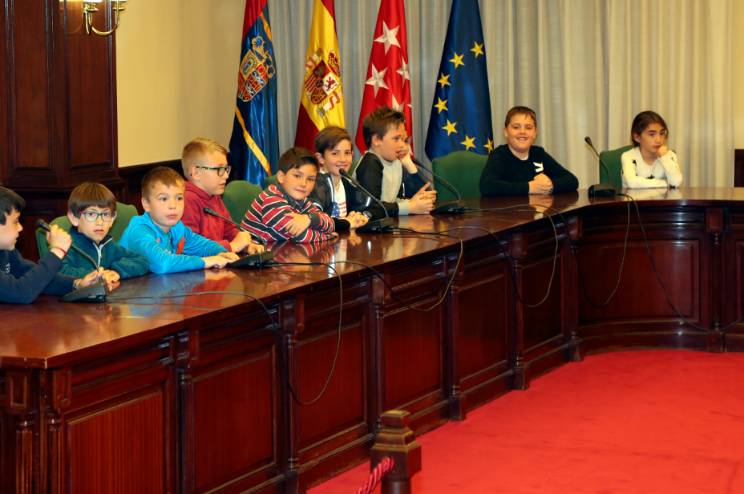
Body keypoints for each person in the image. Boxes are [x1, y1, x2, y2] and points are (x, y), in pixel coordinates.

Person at [119, 167, 239, 274]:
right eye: (163, 199)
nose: (173, 205)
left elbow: (201, 245)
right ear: (146, 204)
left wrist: (221, 253)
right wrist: (205, 261)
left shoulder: (176, 227)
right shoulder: (139, 230)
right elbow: (163, 264)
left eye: (179, 198)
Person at [0, 186, 100, 303]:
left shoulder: (6, 252)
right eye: (15, 221)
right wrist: (58, 251)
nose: (20, 228)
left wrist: (77, 284)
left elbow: (37, 279)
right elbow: (21, 293)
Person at [180, 137, 264, 254]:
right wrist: (231, 247)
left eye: (226, 169)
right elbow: (189, 247)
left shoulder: (214, 196)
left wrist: (246, 245)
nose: (226, 176)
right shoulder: (185, 200)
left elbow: (229, 230)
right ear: (196, 173)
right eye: (219, 169)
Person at [60, 182, 149, 288]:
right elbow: (57, 273)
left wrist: (115, 271)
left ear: (112, 219)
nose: (100, 222)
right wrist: (99, 275)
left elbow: (142, 261)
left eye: (106, 214)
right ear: (74, 218)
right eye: (91, 214)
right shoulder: (66, 246)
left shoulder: (108, 245)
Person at [241, 147, 336, 243]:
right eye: (297, 176)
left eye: (310, 179)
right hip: (253, 251)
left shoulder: (302, 200)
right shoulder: (271, 199)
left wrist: (310, 219)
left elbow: (331, 224)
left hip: (280, 249)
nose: (303, 184)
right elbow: (300, 236)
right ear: (281, 177)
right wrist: (328, 236)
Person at [479, 106, 579, 196]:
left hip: (538, 209)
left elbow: (572, 180)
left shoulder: (538, 153)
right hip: (510, 210)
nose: (522, 132)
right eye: (516, 127)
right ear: (505, 132)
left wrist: (550, 185)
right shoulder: (499, 155)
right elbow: (487, 186)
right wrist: (529, 187)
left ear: (535, 133)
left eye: (528, 128)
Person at [355, 107, 436, 216]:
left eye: (404, 140)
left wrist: (409, 164)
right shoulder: (370, 163)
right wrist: (409, 207)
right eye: (396, 139)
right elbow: (370, 208)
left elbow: (421, 194)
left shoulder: (396, 162)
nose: (402, 145)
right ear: (376, 140)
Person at [309, 126, 372, 231]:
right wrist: (346, 223)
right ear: (320, 158)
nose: (343, 159)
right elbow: (316, 221)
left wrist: (360, 217)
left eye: (347, 153)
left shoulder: (346, 182)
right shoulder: (316, 184)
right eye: (335, 153)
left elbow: (365, 208)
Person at [621, 111, 683, 189]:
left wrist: (664, 157)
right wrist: (666, 183)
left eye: (662, 133)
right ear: (637, 137)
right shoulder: (628, 156)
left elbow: (676, 182)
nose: (658, 140)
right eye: (652, 134)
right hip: (634, 197)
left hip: (662, 197)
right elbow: (633, 183)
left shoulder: (669, 156)